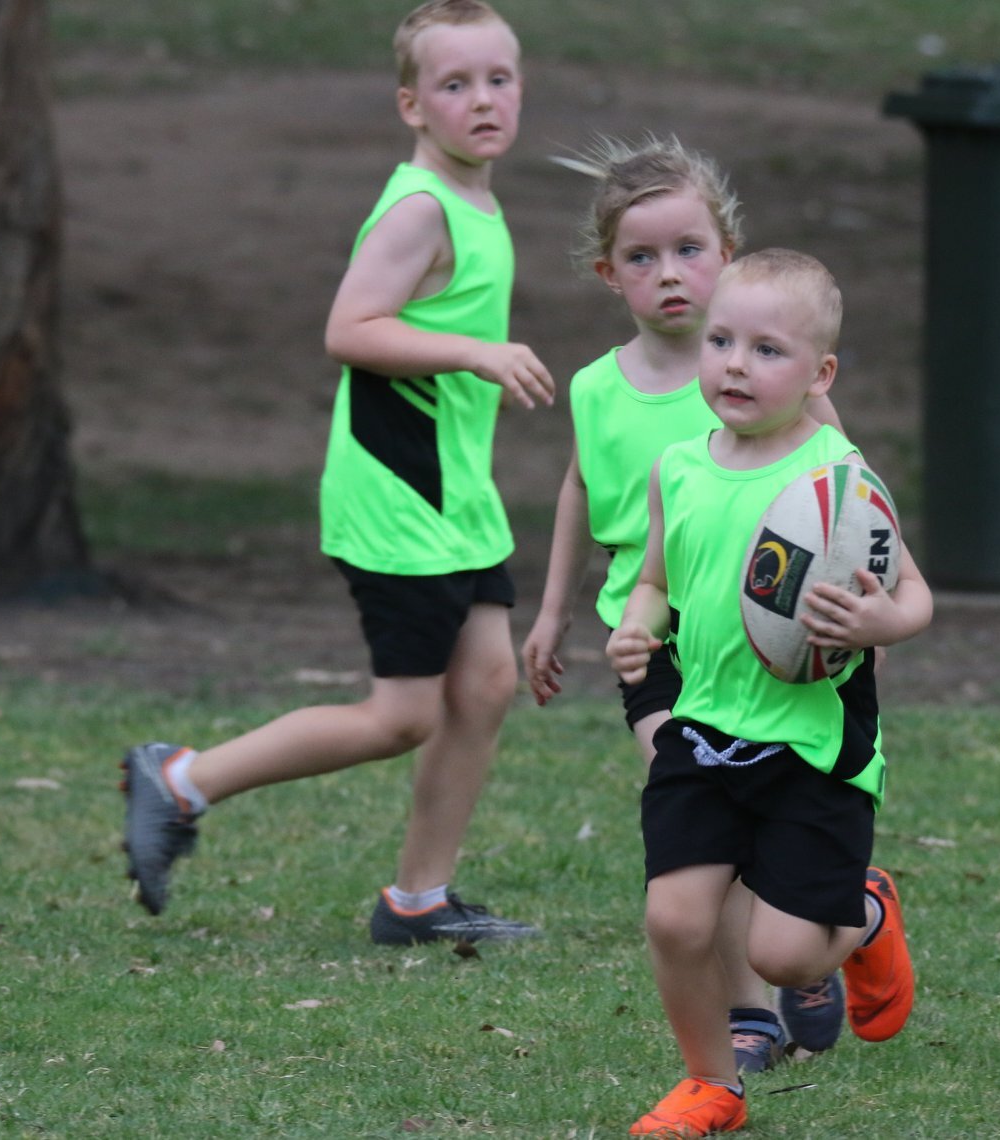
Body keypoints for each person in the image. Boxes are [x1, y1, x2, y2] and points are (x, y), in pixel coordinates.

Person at [119, 0, 553, 947]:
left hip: (455, 497)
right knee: (400, 716)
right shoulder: (420, 206)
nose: (483, 100)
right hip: (399, 497)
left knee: (482, 687)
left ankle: (418, 901)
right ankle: (181, 781)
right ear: (411, 104)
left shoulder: (475, 197)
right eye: (454, 84)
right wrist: (477, 354)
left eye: (499, 79)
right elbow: (350, 331)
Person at [519, 137, 847, 1072]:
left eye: (690, 250)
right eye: (642, 257)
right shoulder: (593, 389)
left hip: (756, 640)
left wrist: (855, 623)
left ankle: (820, 928)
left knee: (754, 813)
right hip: (648, 633)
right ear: (607, 274)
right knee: (700, 808)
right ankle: (752, 1012)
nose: (670, 275)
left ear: (730, 253)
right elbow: (583, 493)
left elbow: (846, 505)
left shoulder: (767, 383)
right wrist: (553, 614)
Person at [607, 249, 931, 1136]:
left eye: (766, 350)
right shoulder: (677, 466)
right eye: (720, 341)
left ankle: (863, 916)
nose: (735, 364)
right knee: (674, 918)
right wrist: (638, 625)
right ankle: (712, 1085)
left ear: (820, 374)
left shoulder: (838, 480)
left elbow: (915, 596)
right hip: (702, 734)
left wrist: (877, 629)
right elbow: (654, 578)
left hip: (811, 749)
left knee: (785, 957)